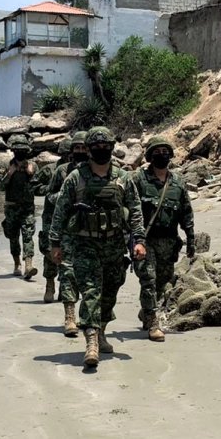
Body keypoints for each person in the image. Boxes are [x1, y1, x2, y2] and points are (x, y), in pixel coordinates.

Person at [50, 126, 146, 368]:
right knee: (91, 291)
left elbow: (134, 210)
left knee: (111, 290)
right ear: (90, 150)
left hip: (114, 245)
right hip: (85, 244)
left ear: (112, 149)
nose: (101, 150)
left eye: (106, 147)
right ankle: (91, 341)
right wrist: (55, 244)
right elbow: (60, 212)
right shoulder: (76, 178)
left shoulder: (123, 178)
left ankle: (101, 330)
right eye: (97, 147)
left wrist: (139, 240)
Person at [129, 136, 195, 343]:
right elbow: (130, 208)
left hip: (169, 241)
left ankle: (146, 311)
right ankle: (153, 323)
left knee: (162, 283)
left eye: (165, 151)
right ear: (149, 156)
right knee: (148, 280)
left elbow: (186, 212)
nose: (161, 155)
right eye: (156, 152)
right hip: (145, 240)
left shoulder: (178, 183)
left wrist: (191, 238)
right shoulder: (139, 180)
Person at [45, 132, 89, 336]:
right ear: (71, 150)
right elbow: (49, 196)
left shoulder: (97, 171)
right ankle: (70, 317)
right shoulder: (62, 172)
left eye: (83, 147)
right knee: (68, 274)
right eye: (77, 147)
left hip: (92, 231)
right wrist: (66, 198)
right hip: (68, 232)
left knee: (91, 277)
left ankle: (89, 318)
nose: (80, 151)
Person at [0, 134, 38, 280]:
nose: (21, 153)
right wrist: (10, 174)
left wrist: (30, 174)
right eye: (18, 150)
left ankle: (28, 265)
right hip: (11, 208)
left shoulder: (33, 166)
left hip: (27, 208)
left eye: (23, 151)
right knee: (13, 237)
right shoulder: (6, 166)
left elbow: (38, 186)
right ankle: (17, 264)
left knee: (28, 236)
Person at [37, 137, 72, 304]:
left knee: (69, 254)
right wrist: (53, 193)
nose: (70, 157)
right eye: (67, 154)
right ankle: (49, 284)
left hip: (72, 218)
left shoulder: (80, 170)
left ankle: (65, 288)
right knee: (50, 251)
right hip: (51, 217)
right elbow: (34, 187)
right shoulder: (51, 170)